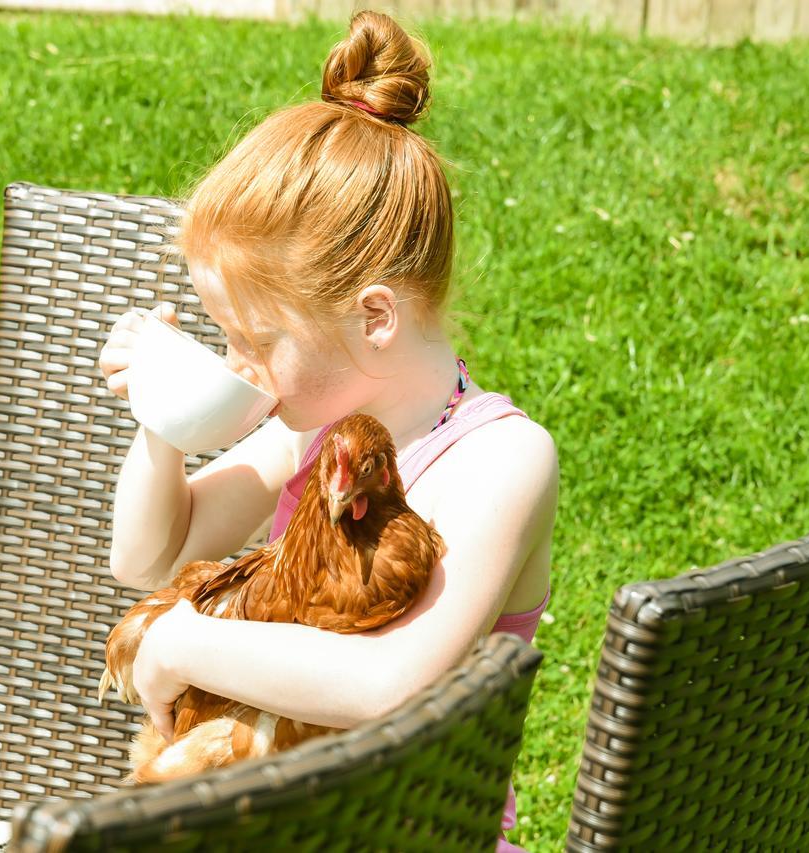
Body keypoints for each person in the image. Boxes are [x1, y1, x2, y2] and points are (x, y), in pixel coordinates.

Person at [97, 11, 557, 851]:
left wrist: (187, 644)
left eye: (257, 341)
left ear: (373, 315)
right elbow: (145, 557)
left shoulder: (500, 459)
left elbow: (387, 683)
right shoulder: (303, 438)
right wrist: (161, 419)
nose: (239, 364)